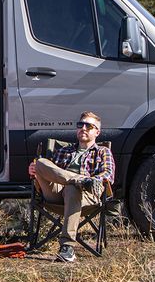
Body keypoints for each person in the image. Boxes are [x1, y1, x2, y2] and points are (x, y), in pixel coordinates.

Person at [29, 111, 115, 262]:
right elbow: (50, 172)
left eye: (89, 126)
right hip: (56, 194)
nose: (83, 128)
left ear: (97, 132)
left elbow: (108, 176)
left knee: (72, 188)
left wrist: (88, 182)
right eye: (80, 125)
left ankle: (67, 247)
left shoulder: (103, 152)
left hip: (87, 195)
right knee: (41, 162)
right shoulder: (63, 150)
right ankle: (79, 180)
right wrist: (35, 171)